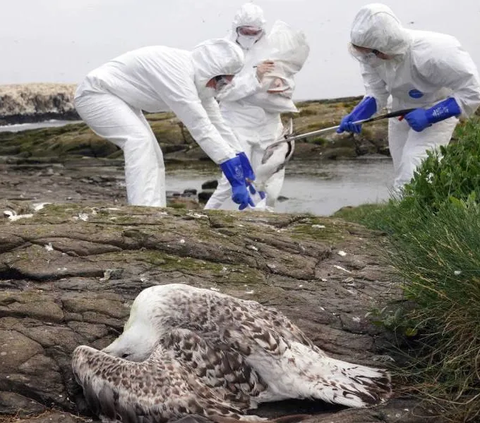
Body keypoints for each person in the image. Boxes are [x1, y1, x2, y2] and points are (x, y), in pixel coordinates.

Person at [74, 39, 255, 209]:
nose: (221, 87)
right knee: (139, 141)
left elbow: (217, 123)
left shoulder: (197, 81)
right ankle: (143, 213)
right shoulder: (177, 72)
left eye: (227, 83)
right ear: (210, 70)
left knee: (155, 154)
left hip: (121, 99)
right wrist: (232, 171)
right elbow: (200, 126)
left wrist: (240, 158)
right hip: (95, 94)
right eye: (221, 80)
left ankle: (156, 211)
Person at [338, 3, 480, 192]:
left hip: (436, 108)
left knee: (415, 168)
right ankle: (405, 217)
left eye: (366, 53)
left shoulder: (437, 52)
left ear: (383, 47)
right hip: (398, 111)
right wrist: (359, 113)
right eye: (360, 52)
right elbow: (377, 91)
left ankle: (420, 219)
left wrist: (430, 116)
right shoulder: (370, 57)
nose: (364, 59)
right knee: (401, 170)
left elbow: (472, 91)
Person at [205, 3, 309, 211]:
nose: (251, 36)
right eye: (246, 32)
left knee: (268, 174)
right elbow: (223, 92)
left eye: (255, 32)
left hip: (268, 123)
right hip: (236, 122)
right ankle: (207, 215)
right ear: (236, 28)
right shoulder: (223, 52)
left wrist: (281, 84)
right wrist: (255, 77)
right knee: (233, 175)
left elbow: (287, 76)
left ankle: (261, 216)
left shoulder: (271, 47)